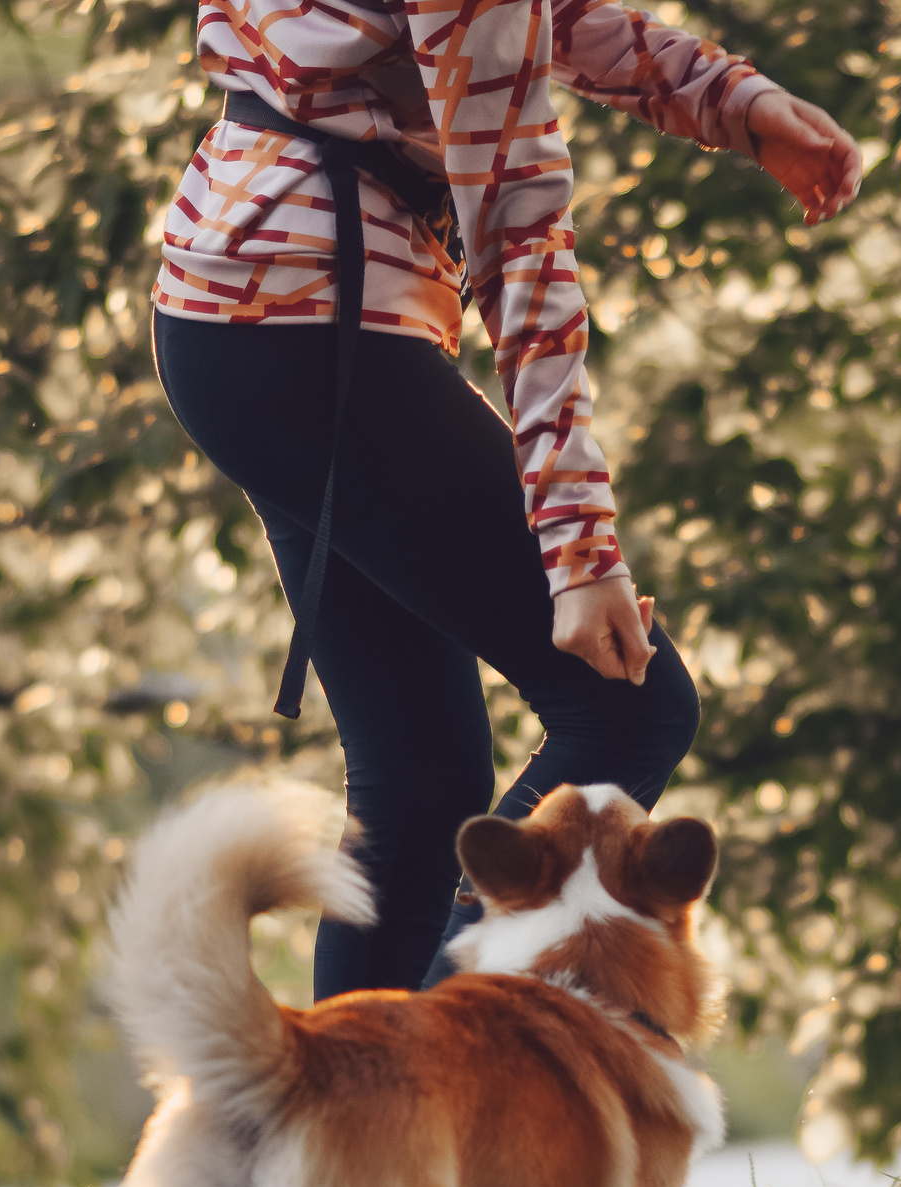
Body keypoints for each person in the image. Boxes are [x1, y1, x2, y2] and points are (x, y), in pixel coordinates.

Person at [150, 0, 862, 999]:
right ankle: (436, 1084)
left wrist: (735, 103)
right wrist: (581, 556)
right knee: (628, 709)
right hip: (321, 323)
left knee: (420, 782)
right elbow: (517, 234)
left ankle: (353, 1141)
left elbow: (537, 21)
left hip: (235, 315)